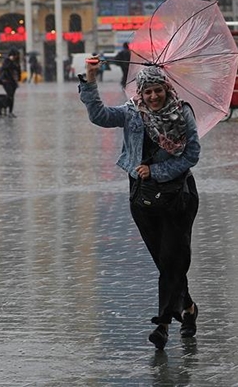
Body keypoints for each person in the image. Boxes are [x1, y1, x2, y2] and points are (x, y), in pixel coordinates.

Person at [79, 58, 201, 350]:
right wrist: (90, 79)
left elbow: (191, 154)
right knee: (164, 259)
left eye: (158, 90)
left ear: (166, 89)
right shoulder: (132, 114)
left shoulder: (182, 113)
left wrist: (157, 171)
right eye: (148, 92)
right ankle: (188, 307)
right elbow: (99, 115)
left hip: (178, 196)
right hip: (142, 197)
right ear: (141, 94)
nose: (154, 96)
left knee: (173, 255)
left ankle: (162, 324)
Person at [0, 48, 22, 117]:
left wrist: (18, 79)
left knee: (12, 96)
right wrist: (10, 61)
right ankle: (4, 108)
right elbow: (5, 68)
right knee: (10, 95)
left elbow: (18, 70)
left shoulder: (16, 62)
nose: (16, 57)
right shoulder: (7, 61)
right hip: (6, 81)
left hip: (14, 81)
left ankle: (10, 111)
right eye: (15, 55)